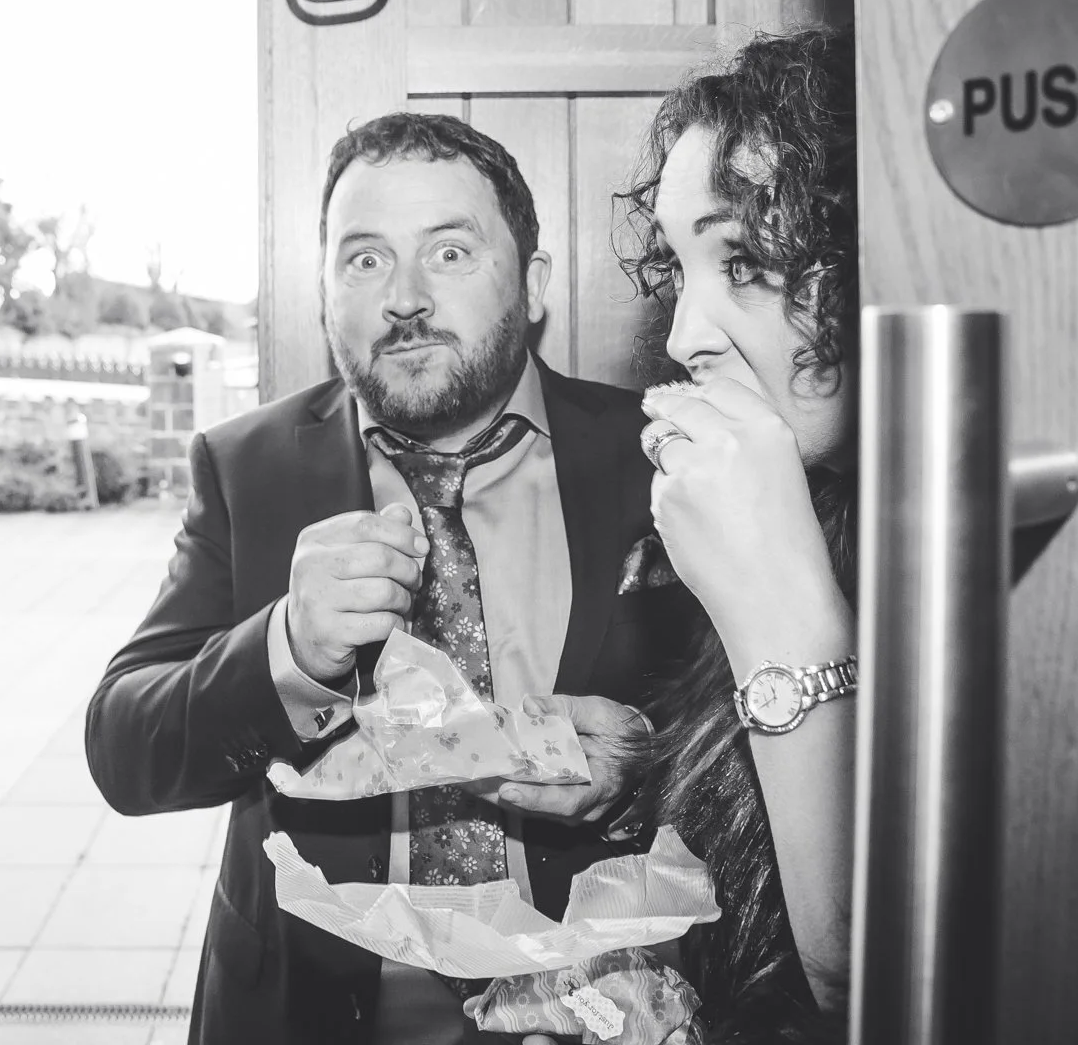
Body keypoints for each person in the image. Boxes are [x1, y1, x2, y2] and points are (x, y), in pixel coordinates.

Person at [85, 113, 706, 1044]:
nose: (405, 298)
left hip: (601, 1009)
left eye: (450, 252)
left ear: (533, 283)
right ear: (325, 294)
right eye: (366, 260)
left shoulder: (661, 454)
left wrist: (647, 769)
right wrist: (289, 650)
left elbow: (774, 735)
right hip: (308, 1014)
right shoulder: (246, 468)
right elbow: (125, 751)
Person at [615, 27, 860, 1042]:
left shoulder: (974, 563)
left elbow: (869, 976)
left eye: (747, 259)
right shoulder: (820, 509)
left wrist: (773, 604)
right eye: (679, 268)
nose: (685, 337)